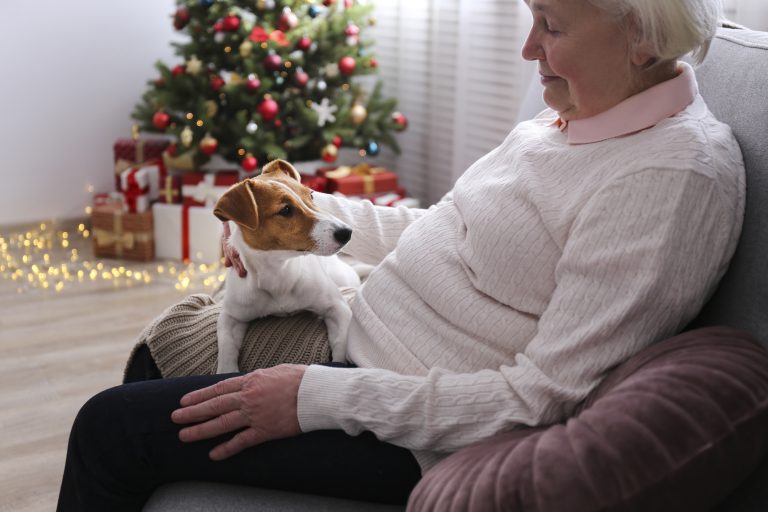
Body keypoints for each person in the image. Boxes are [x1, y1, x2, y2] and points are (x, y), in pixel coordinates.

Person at [57, 0, 745, 509]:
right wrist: (287, 224)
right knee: (160, 352)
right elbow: (440, 226)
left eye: (553, 27)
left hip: (408, 430)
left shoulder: (669, 180)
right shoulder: (567, 121)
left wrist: (315, 395)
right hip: (360, 338)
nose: (529, 49)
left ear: (643, 39)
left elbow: (538, 399)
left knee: (107, 428)